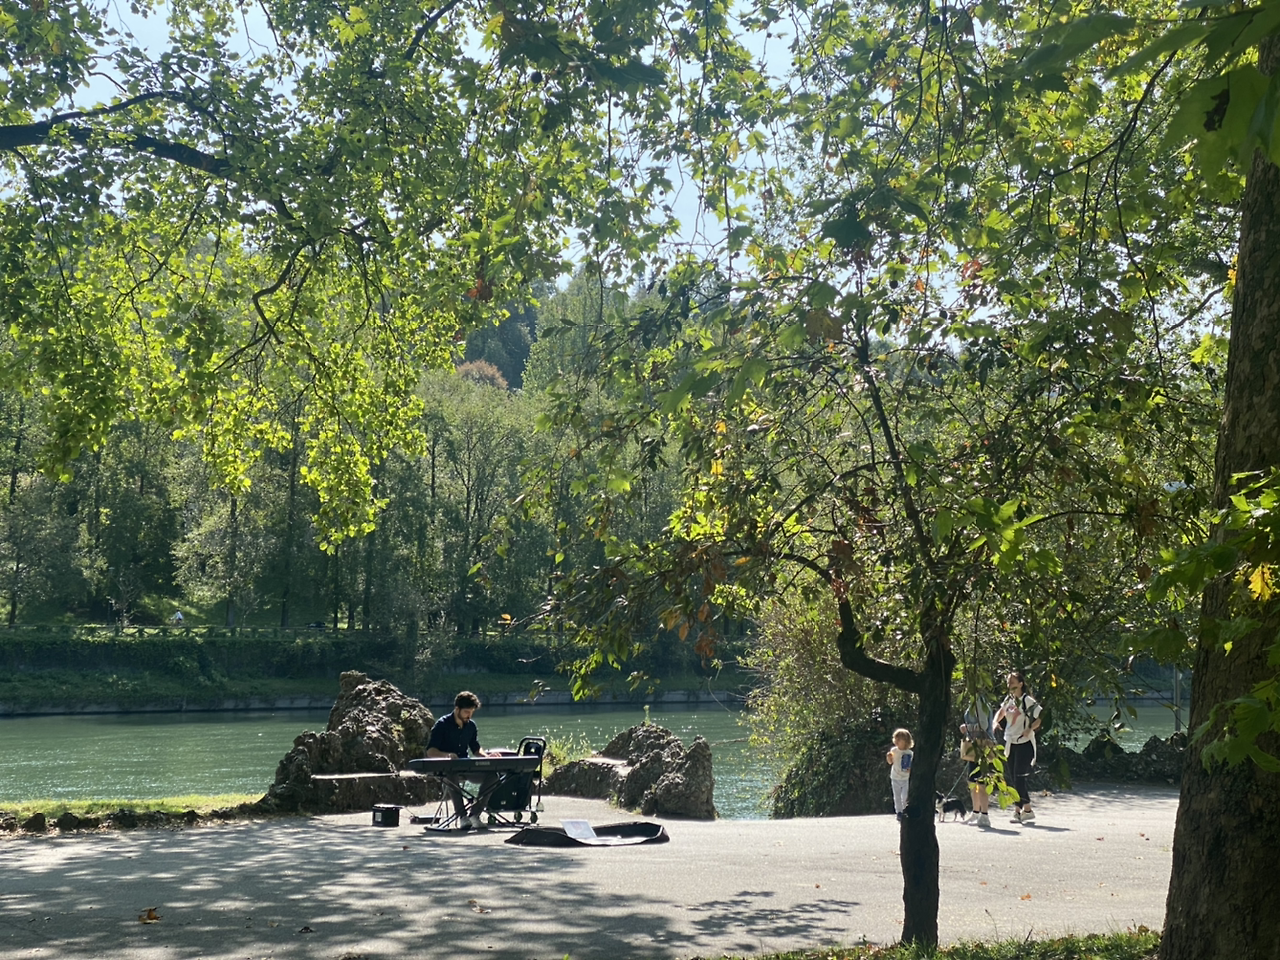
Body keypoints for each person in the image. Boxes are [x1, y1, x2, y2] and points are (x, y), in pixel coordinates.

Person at [426, 690, 500, 831]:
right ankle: (462, 816)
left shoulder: (471, 726)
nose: (469, 715)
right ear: (457, 709)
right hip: (446, 768)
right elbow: (430, 751)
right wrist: (446, 755)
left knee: (493, 776)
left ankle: (475, 814)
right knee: (451, 775)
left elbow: (476, 748)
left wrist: (487, 756)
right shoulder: (442, 724)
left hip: (466, 766)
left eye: (471, 712)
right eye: (466, 712)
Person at [994, 671, 1043, 823]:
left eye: (1012, 682)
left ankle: (1026, 809)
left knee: (1019, 778)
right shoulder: (1009, 699)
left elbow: (1040, 717)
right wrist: (995, 722)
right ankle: (1018, 810)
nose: (1009, 685)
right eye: (1008, 682)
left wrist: (1030, 729)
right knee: (1014, 779)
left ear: (1021, 684)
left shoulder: (1027, 700)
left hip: (1024, 743)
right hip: (1011, 742)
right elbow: (1001, 712)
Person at [959, 704, 994, 828]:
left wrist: (967, 727)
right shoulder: (973, 703)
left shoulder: (980, 704)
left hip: (981, 748)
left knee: (981, 782)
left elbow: (983, 726)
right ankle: (976, 812)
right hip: (974, 746)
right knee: (972, 782)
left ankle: (984, 815)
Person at [886, 727, 913, 819]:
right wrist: (888, 757)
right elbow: (890, 762)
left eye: (899, 740)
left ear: (906, 741)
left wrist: (910, 769)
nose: (897, 741)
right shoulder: (894, 750)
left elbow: (911, 766)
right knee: (896, 796)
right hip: (895, 777)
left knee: (905, 796)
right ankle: (899, 812)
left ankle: (905, 810)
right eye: (896, 739)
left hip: (905, 778)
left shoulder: (910, 753)